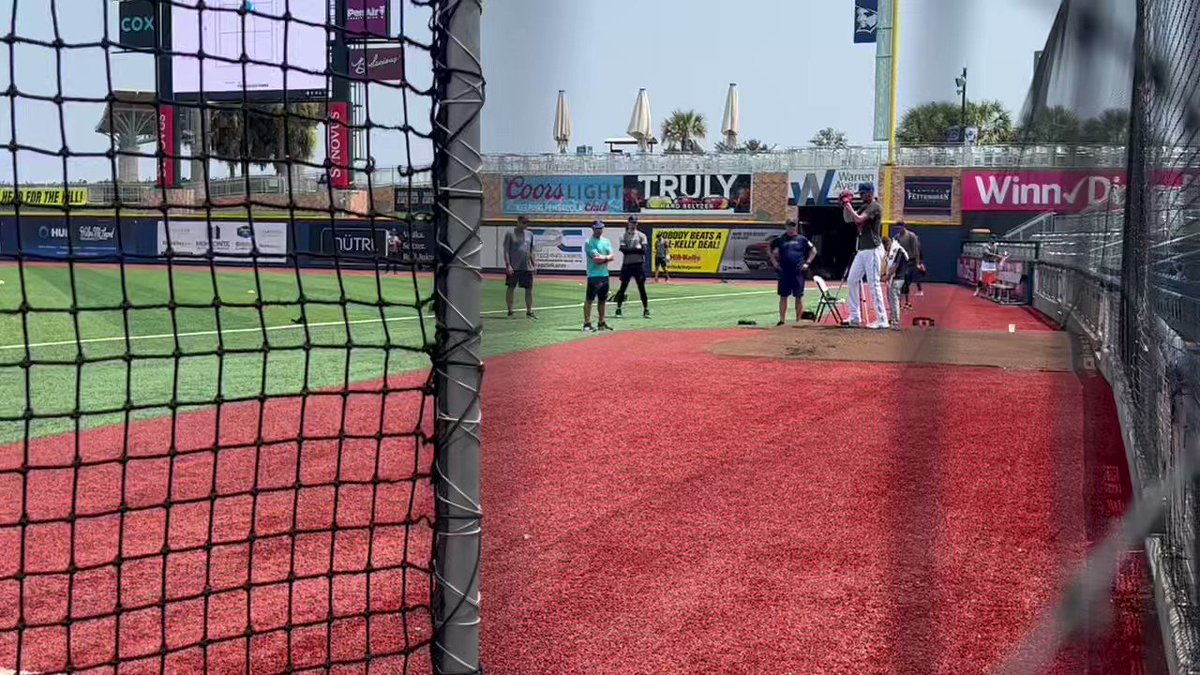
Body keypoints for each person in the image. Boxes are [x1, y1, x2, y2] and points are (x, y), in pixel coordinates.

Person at [841, 182, 889, 328]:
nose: (861, 195)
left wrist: (848, 205)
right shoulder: (864, 206)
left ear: (870, 192)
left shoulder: (875, 206)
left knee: (873, 284)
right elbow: (848, 219)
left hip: (873, 249)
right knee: (852, 280)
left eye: (863, 193)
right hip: (862, 249)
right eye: (860, 193)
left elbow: (859, 219)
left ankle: (882, 320)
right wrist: (845, 205)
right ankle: (855, 317)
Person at [769, 220, 818, 326]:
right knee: (783, 296)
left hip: (798, 272)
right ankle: (782, 320)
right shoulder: (780, 239)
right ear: (785, 227)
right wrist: (775, 263)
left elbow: (813, 250)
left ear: (796, 227)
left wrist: (807, 263)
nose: (791, 228)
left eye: (793, 226)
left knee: (798, 296)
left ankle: (798, 320)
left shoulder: (802, 239)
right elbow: (771, 251)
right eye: (789, 226)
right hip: (784, 271)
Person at [614, 217, 651, 318]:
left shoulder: (641, 235)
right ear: (628, 223)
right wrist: (636, 248)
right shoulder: (623, 235)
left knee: (641, 288)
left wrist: (630, 249)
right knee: (623, 288)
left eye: (635, 223)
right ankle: (618, 308)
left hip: (638, 264)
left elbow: (643, 250)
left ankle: (646, 309)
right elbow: (623, 249)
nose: (633, 224)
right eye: (632, 222)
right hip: (627, 265)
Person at [583, 220, 614, 332]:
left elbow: (611, 255)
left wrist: (605, 258)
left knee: (602, 300)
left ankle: (601, 322)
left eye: (601, 228)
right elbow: (597, 259)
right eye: (597, 228)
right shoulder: (589, 242)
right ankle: (587, 323)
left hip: (604, 274)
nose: (599, 230)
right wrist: (606, 258)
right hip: (593, 275)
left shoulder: (606, 241)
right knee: (589, 300)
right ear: (593, 228)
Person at [504, 215, 537, 318]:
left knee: (529, 289)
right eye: (523, 222)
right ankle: (510, 310)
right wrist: (508, 265)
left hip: (526, 266)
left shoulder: (530, 234)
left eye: (527, 223)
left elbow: (531, 251)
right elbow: (506, 251)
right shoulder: (510, 234)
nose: (525, 225)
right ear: (518, 222)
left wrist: (534, 264)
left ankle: (529, 311)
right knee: (511, 287)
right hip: (514, 266)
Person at [892, 221, 924, 308]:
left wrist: (917, 263)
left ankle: (907, 302)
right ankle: (900, 302)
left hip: (910, 261)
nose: (898, 229)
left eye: (900, 227)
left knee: (906, 282)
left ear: (904, 226)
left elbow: (916, 250)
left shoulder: (911, 236)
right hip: (901, 262)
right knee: (900, 282)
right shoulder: (896, 237)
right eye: (897, 228)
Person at [881, 235, 910, 328]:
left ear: (888, 243)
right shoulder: (891, 251)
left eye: (886, 247)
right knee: (890, 299)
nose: (886, 250)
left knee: (894, 299)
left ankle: (895, 321)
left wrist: (888, 276)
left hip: (898, 278)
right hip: (894, 278)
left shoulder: (898, 250)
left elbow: (895, 265)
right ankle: (893, 318)